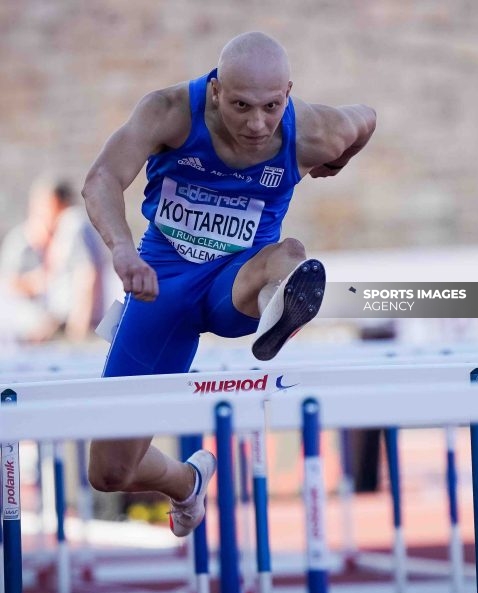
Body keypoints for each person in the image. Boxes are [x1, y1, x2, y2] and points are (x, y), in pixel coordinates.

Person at [82, 31, 376, 537]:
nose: (257, 124)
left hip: (234, 284)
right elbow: (101, 178)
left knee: (288, 255)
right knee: (108, 473)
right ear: (216, 90)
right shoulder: (169, 111)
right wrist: (123, 250)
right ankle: (188, 481)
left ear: (288, 93)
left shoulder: (315, 131)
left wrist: (338, 161)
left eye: (271, 107)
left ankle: (279, 303)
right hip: (161, 288)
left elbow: (366, 118)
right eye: (241, 106)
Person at [0, 177, 106, 342]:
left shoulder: (73, 224)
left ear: (54, 202)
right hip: (61, 325)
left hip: (75, 325)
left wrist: (78, 330)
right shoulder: (56, 232)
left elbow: (87, 274)